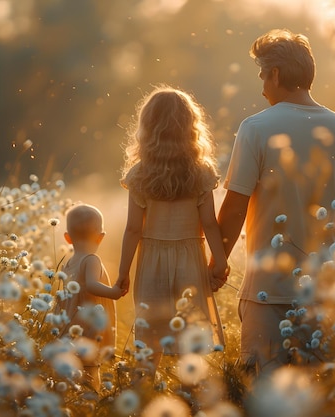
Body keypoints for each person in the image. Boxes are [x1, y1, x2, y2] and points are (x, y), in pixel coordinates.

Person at [217, 29, 335, 375]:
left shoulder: (255, 128)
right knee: (324, 395)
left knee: (265, 397)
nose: (261, 86)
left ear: (275, 73)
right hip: (328, 293)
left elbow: (235, 207)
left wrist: (216, 263)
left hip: (267, 295)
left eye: (261, 74)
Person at [116, 85, 228, 373]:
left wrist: (123, 273)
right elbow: (210, 224)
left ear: (147, 127)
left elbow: (132, 230)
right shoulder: (201, 172)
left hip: (151, 263)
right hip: (190, 262)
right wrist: (221, 261)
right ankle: (192, 400)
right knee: (190, 342)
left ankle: (140, 395)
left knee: (149, 343)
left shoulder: (140, 174)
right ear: (190, 127)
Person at [60, 203, 125, 391]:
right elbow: (91, 285)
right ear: (101, 237)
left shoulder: (69, 262)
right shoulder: (91, 260)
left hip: (69, 326)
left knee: (69, 372)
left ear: (67, 238)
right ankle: (90, 403)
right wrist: (114, 292)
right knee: (89, 371)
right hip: (88, 329)